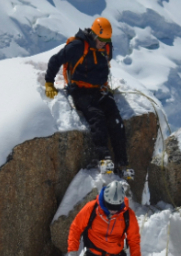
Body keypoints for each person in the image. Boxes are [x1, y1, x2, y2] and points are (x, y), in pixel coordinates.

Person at [44, 17, 132, 180]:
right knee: (96, 118)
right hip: (80, 90)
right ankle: (104, 159)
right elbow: (56, 60)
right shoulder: (78, 46)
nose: (103, 43)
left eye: (106, 40)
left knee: (115, 120)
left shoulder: (106, 47)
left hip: (100, 90)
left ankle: (122, 163)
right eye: (101, 40)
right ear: (93, 34)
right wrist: (49, 82)